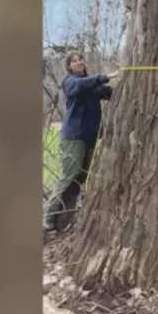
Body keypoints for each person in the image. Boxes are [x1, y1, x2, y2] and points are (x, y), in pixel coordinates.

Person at [43, 52, 120, 236]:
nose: (79, 62)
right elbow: (80, 86)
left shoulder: (93, 85)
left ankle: (62, 221)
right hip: (73, 137)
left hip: (90, 137)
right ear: (69, 67)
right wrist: (105, 76)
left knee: (79, 179)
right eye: (74, 61)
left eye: (80, 59)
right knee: (70, 174)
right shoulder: (71, 82)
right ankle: (47, 215)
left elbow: (110, 93)